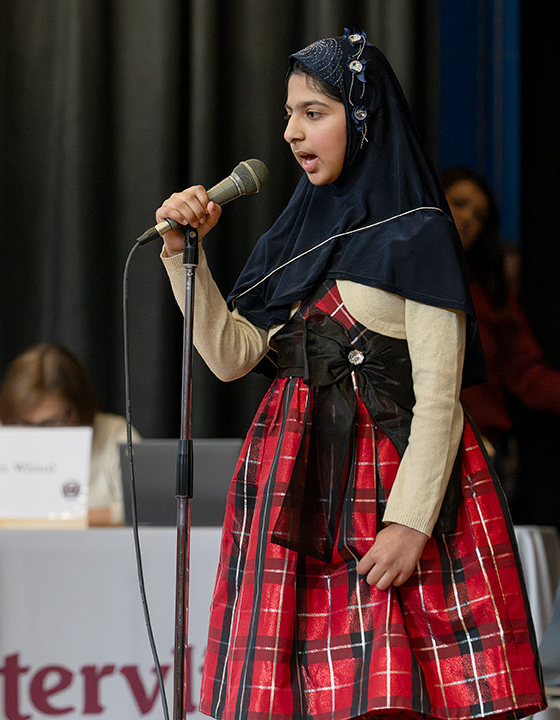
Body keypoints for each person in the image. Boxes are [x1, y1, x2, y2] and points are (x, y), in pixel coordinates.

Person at [154, 31, 544, 720]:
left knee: (385, 697)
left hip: (380, 496)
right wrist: (183, 257)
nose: (291, 132)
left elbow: (438, 400)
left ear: (362, 118)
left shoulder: (416, 232)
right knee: (297, 699)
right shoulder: (294, 233)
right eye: (288, 114)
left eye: (313, 112)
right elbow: (229, 356)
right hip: (291, 487)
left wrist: (408, 525)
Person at [0, 342, 136, 526]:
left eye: (52, 422)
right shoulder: (0, 435)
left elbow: (146, 509)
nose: (39, 435)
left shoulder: (114, 434)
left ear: (79, 408)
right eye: (25, 423)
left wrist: (63, 520)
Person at [441, 167, 560, 473]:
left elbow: (527, 374)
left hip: (480, 452)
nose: (467, 219)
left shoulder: (488, 294)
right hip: (405, 446)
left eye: (479, 215)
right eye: (459, 203)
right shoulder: (392, 274)